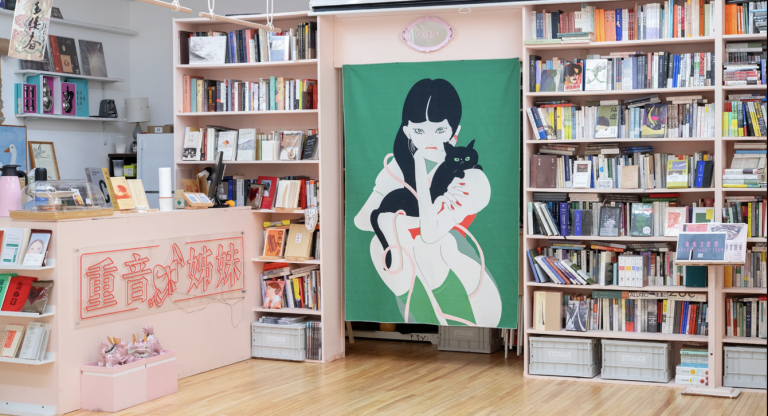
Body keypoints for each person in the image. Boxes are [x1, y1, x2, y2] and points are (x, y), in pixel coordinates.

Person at [353, 79, 502, 327]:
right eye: (420, 131)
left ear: (455, 131)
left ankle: (454, 322)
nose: (430, 140)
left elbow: (431, 234)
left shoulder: (471, 177)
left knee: (426, 243)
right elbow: (361, 220)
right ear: (407, 131)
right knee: (377, 245)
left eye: (440, 130)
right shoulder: (397, 168)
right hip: (415, 285)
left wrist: (418, 170)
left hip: (466, 288)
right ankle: (425, 317)